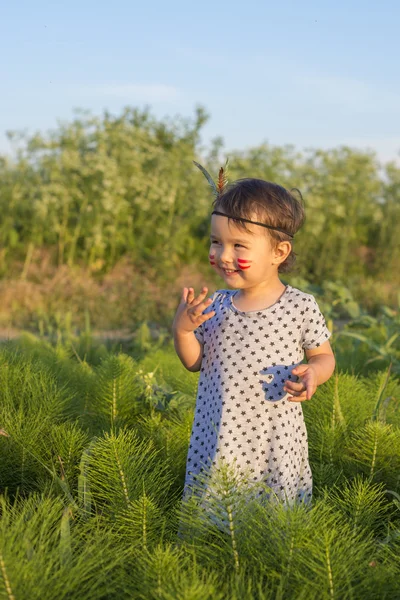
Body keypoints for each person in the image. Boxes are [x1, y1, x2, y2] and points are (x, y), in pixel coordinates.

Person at [172, 173, 336, 517]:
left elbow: (323, 356)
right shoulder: (216, 305)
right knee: (217, 507)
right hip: (220, 433)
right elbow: (195, 362)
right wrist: (184, 331)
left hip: (273, 436)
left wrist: (314, 373)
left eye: (238, 246)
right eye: (216, 242)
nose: (223, 255)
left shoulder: (300, 306)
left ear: (279, 251)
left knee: (274, 514)